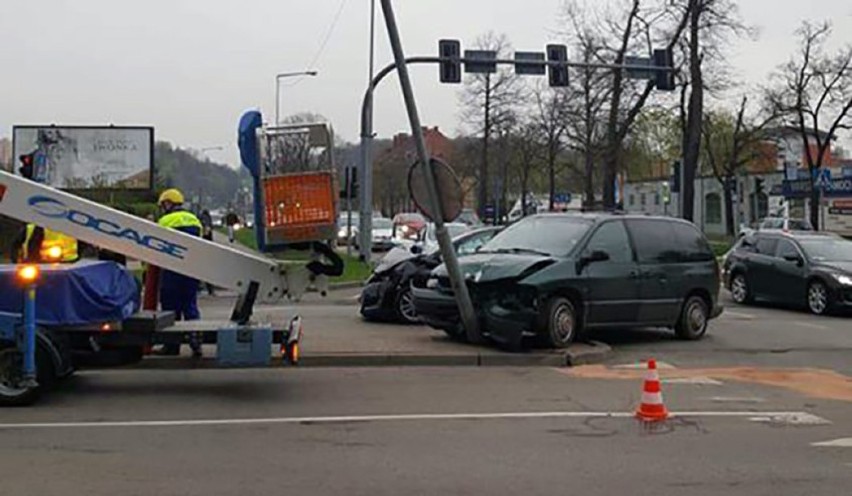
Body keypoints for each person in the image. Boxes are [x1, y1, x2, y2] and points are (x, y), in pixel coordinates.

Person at [156, 188, 203, 357]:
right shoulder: (195, 220)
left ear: (168, 203)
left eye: (163, 205)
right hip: (192, 269)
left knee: (170, 309)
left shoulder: (165, 221)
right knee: (190, 306)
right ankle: (195, 342)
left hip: (172, 270)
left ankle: (172, 346)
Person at [198, 209, 215, 295]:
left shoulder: (201, 219)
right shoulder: (208, 219)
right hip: (208, 246)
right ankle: (210, 290)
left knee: (199, 268)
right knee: (208, 269)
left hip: (201, 246)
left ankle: (199, 288)